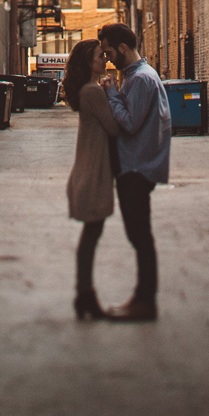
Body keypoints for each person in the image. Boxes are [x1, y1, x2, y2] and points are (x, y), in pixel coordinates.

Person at [97, 22, 171, 322]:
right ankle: (142, 299)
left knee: (140, 236)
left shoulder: (140, 80)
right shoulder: (138, 75)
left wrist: (112, 94)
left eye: (109, 51)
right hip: (136, 165)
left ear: (123, 48)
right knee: (139, 235)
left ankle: (144, 302)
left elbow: (129, 123)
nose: (108, 57)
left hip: (137, 167)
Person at [61, 39, 120, 320]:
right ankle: (85, 296)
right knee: (91, 236)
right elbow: (114, 127)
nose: (105, 60)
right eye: (99, 56)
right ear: (88, 63)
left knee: (91, 236)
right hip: (92, 172)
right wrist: (114, 93)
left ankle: (85, 295)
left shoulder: (88, 91)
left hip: (87, 169)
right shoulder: (93, 92)